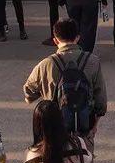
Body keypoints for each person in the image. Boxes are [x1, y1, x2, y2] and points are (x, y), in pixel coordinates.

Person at [24, 18, 108, 147]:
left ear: (55, 40)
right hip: (83, 130)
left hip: (54, 132)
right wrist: (93, 126)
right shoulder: (93, 61)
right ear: (77, 38)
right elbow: (101, 102)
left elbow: (28, 93)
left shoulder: (45, 64)